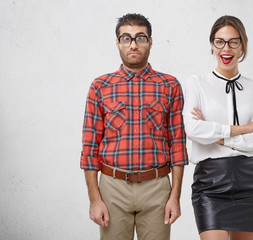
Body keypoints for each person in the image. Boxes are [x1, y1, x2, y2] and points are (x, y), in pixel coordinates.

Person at [80, 13, 188, 240]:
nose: (133, 44)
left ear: (150, 41)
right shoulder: (100, 86)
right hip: (113, 188)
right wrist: (95, 200)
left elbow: (177, 145)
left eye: (140, 37)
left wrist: (174, 197)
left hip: (157, 187)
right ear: (118, 42)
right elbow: (90, 149)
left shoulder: (170, 85)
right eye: (126, 38)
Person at [183, 15, 253, 240]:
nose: (226, 48)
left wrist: (217, 136)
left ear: (243, 44)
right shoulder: (197, 83)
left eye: (234, 42)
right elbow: (193, 129)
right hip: (210, 181)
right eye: (219, 41)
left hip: (249, 180)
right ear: (212, 44)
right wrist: (245, 128)